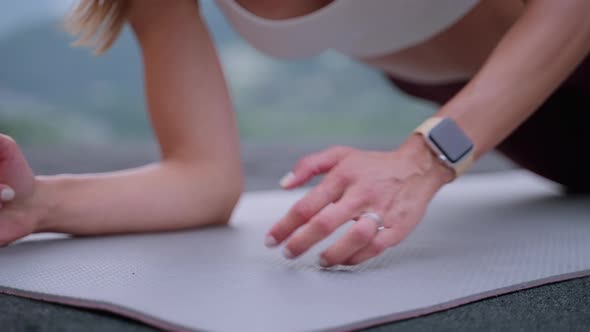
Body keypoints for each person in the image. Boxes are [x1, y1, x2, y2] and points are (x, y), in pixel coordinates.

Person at [0, 0, 588, 268]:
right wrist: (40, 205)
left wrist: (424, 157)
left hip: (516, 86)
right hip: (522, 123)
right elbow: (202, 178)